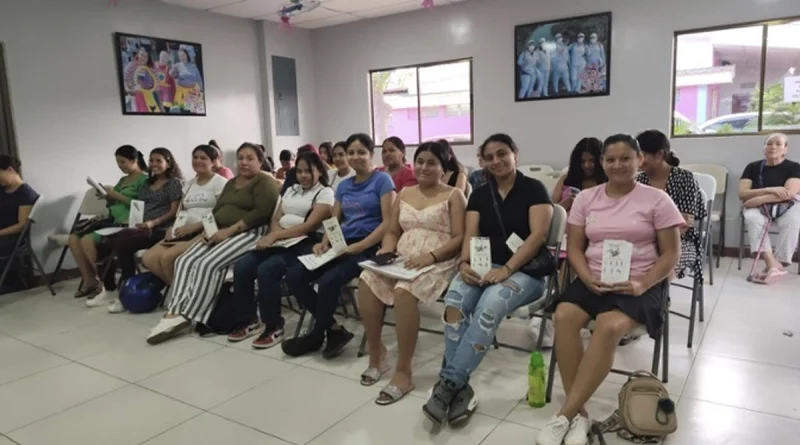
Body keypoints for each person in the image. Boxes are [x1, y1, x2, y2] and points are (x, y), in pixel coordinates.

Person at [536, 134, 683, 445]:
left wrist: (642, 283)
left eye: (625, 158)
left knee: (608, 325)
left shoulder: (657, 200)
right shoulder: (587, 199)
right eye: (611, 159)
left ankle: (566, 414)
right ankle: (582, 416)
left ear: (639, 160)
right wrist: (586, 276)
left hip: (642, 281)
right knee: (562, 315)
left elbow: (671, 253)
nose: (618, 165)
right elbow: (574, 247)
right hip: (595, 278)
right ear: (602, 163)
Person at [423, 133, 553, 426]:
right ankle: (459, 388)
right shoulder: (480, 192)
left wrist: (506, 269)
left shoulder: (534, 189)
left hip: (525, 271)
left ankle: (448, 383)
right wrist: (465, 262)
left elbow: (537, 238)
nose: (496, 161)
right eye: (489, 156)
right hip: (483, 266)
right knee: (454, 303)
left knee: (489, 307)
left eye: (502, 153)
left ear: (515, 153)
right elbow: (471, 234)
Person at [358, 141, 466, 405]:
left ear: (443, 168)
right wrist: (386, 252)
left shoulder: (454, 195)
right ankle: (377, 354)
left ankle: (403, 371)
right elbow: (393, 231)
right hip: (402, 257)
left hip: (438, 259)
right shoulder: (404, 193)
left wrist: (430, 256)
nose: (423, 167)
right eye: (420, 161)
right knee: (367, 280)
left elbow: (459, 236)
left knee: (404, 291)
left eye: (431, 163)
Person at [146, 143, 280, 345]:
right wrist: (207, 231)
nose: (243, 162)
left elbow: (260, 213)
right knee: (185, 259)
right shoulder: (232, 182)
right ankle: (174, 312)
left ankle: (189, 314)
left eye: (250, 158)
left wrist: (227, 231)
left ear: (260, 161)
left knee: (207, 263)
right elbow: (217, 211)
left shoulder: (264, 181)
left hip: (247, 232)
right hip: (219, 229)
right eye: (240, 157)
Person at [281, 133, 396, 359]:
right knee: (295, 276)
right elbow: (333, 220)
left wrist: (361, 245)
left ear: (371, 154)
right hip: (342, 243)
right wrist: (324, 242)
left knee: (329, 281)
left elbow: (388, 222)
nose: (355, 157)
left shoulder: (382, 181)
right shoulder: (344, 186)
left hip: (371, 245)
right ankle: (333, 329)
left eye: (361, 152)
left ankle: (315, 336)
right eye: (351, 152)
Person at [230, 151, 335, 347]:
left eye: (308, 171)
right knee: (243, 267)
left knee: (267, 270)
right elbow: (276, 216)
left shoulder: (325, 192)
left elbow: (309, 226)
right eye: (300, 171)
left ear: (319, 171)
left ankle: (274, 326)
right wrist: (275, 234)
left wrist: (276, 236)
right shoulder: (291, 189)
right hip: (281, 239)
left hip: (305, 242)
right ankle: (248, 319)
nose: (303, 176)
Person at [89, 148, 183, 311]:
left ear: (168, 163)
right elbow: (138, 206)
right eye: (151, 160)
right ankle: (110, 289)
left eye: (158, 161)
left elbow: (174, 211)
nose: (154, 164)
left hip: (161, 229)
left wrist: (153, 222)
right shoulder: (148, 184)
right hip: (141, 226)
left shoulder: (173, 183)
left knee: (123, 244)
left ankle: (126, 292)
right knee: (104, 242)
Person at [141, 145, 228, 285]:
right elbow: (182, 211)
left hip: (207, 231)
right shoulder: (188, 184)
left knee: (167, 257)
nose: (198, 161)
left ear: (213, 161)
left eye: (203, 158)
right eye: (195, 157)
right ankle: (180, 289)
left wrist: (195, 227)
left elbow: (221, 213)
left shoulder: (220, 182)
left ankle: (182, 295)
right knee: (148, 258)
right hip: (183, 231)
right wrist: (173, 228)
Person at [70, 145, 148, 299]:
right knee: (73, 238)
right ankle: (89, 279)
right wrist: (108, 197)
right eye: (118, 162)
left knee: (87, 240)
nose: (120, 166)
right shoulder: (123, 180)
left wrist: (117, 196)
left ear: (134, 160)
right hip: (113, 221)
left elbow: (141, 205)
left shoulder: (144, 180)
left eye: (123, 162)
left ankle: (101, 282)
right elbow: (115, 204)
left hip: (128, 224)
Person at [637, 129, 706, 281]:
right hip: (645, 239)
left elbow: (684, 223)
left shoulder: (684, 178)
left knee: (661, 263)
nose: (638, 161)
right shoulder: (639, 181)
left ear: (660, 155)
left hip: (681, 242)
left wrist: (656, 243)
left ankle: (659, 302)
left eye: (642, 156)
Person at [739, 133, 800, 284]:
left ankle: (779, 262)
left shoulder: (794, 167)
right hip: (757, 208)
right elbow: (742, 193)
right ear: (763, 148)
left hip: (786, 205)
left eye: (778, 144)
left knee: (793, 220)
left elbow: (789, 194)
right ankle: (772, 265)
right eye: (769, 143)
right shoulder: (752, 167)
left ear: (785, 149)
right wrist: (771, 189)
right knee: (753, 219)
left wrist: (756, 200)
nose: (773, 147)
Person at [0, 156, 39, 289]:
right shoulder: (2, 190)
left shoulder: (25, 193)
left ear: (10, 170)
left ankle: (10, 283)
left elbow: (21, 225)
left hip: (13, 238)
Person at [552, 138, 606, 213]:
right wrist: (567, 203)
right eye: (583, 161)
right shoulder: (566, 179)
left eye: (592, 160)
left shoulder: (608, 182)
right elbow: (550, 211)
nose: (587, 165)